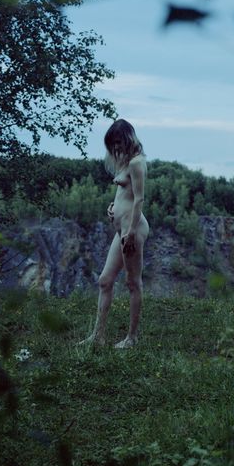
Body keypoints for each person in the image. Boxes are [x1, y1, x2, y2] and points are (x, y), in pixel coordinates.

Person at [80, 119, 149, 348]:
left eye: (119, 143)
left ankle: (132, 338)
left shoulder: (137, 163)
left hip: (133, 230)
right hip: (121, 228)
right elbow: (125, 196)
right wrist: (113, 207)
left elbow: (139, 199)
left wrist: (129, 233)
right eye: (113, 144)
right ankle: (98, 336)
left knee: (132, 282)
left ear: (129, 138)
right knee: (104, 280)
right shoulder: (123, 161)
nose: (116, 148)